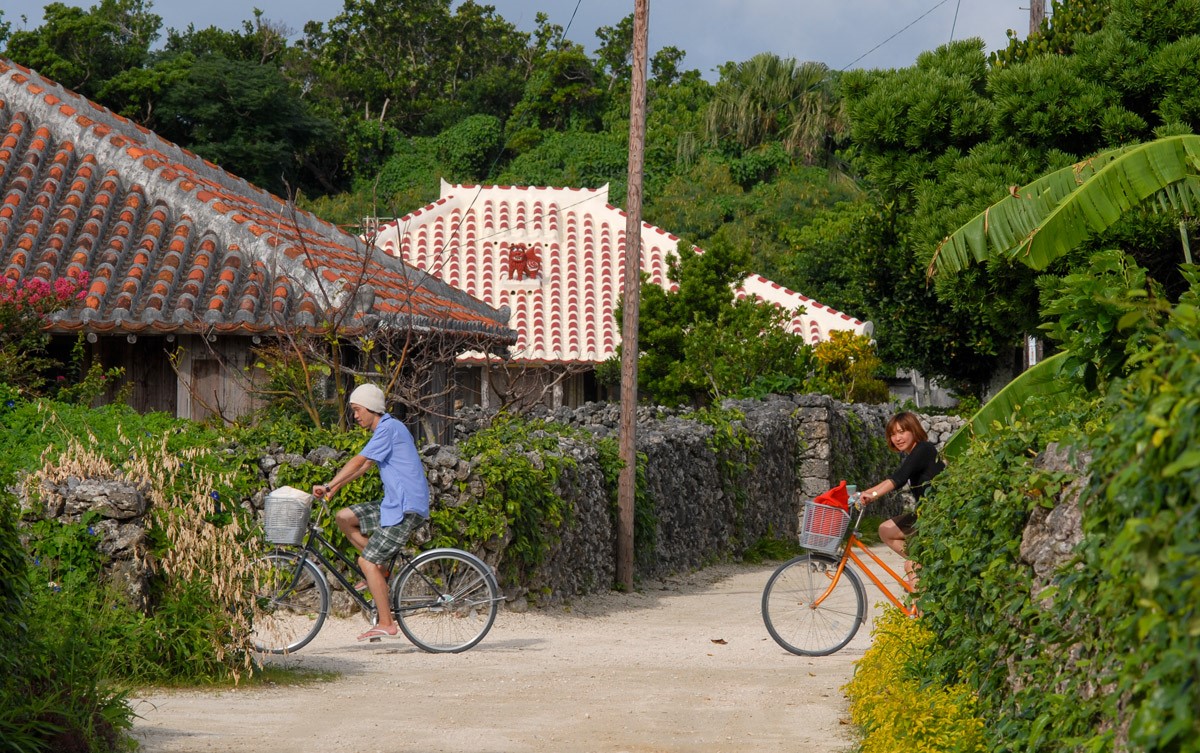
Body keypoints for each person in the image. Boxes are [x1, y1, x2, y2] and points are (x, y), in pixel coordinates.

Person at [312, 383, 430, 641]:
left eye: (357, 410)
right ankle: (380, 570)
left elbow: (357, 460)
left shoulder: (388, 428)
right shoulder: (385, 430)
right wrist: (335, 489)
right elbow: (365, 465)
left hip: (405, 507)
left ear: (371, 408)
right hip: (394, 503)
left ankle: (387, 622)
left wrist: (329, 484)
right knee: (344, 517)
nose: (355, 416)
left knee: (365, 562)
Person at [859, 411, 945, 584]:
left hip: (938, 518)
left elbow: (898, 479)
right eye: (892, 434)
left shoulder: (924, 449)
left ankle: (921, 603)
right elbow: (893, 478)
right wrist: (864, 493)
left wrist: (873, 495)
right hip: (924, 516)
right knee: (886, 530)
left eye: (901, 432)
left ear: (914, 431)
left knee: (912, 566)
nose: (897, 438)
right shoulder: (914, 453)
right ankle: (926, 563)